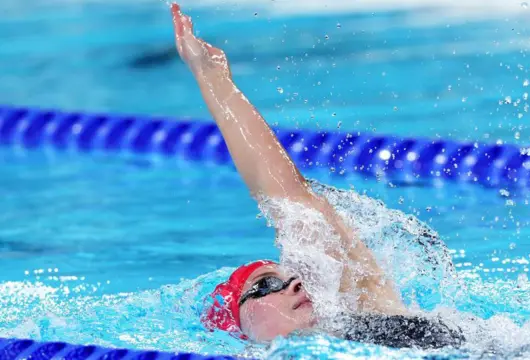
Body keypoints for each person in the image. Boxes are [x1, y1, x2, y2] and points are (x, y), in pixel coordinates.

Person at [170, 3, 464, 349]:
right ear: (238, 331)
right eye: (264, 286)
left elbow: (291, 200)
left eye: (292, 276)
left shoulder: (369, 315)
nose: (294, 283)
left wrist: (213, 76)